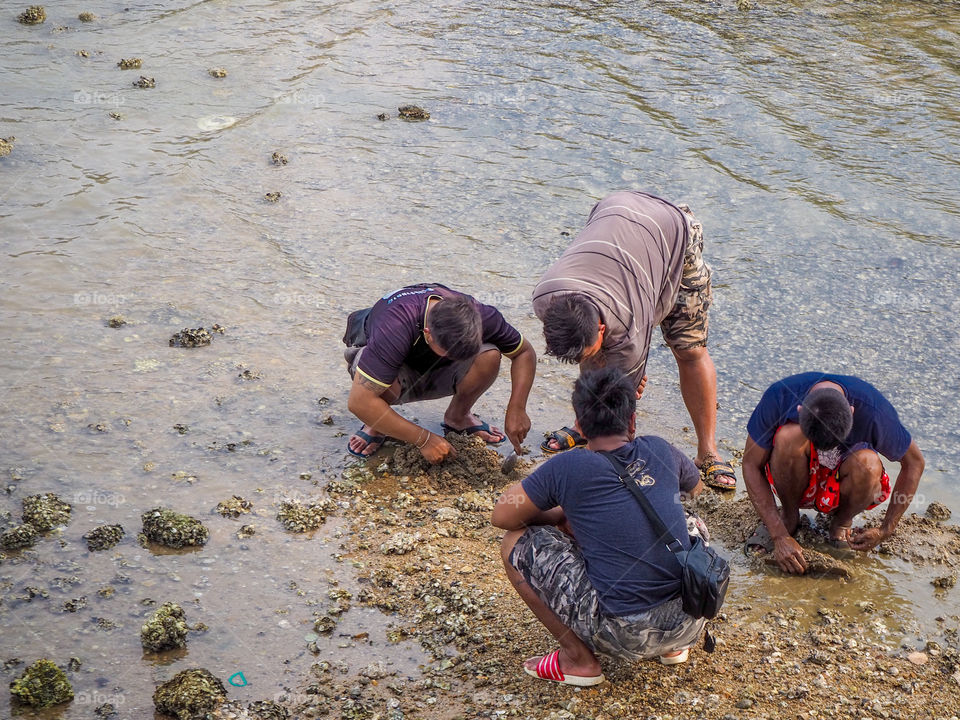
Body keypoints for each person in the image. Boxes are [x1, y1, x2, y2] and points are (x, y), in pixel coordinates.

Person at [492, 367, 706, 686]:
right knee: (690, 520)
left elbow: (503, 515)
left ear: (579, 425)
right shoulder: (660, 448)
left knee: (513, 543)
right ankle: (674, 648)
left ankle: (578, 661)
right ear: (632, 421)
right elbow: (696, 487)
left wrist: (562, 513)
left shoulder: (569, 466)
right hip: (694, 615)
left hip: (625, 634)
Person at [532, 190, 736, 490]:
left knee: (689, 349)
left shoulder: (627, 329)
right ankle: (583, 427)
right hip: (616, 214)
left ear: (602, 329)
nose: (582, 362)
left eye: (587, 353)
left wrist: (631, 379)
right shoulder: (544, 298)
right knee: (601, 365)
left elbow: (623, 411)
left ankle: (707, 452)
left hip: (674, 233)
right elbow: (594, 359)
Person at [741, 372, 925, 574]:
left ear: (852, 412)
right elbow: (750, 464)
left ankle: (841, 524)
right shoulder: (780, 396)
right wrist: (778, 535)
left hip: (844, 480)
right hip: (794, 474)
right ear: (799, 410)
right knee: (787, 437)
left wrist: (885, 529)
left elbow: (914, 463)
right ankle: (788, 516)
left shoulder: (876, 411)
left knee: (869, 464)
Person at [342, 283, 536, 463]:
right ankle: (376, 423)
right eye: (452, 354)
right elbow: (359, 401)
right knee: (378, 384)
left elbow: (524, 352)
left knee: (490, 355)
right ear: (428, 333)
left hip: (431, 364)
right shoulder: (395, 326)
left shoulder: (483, 316)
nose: (459, 362)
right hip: (391, 367)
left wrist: (517, 408)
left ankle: (458, 417)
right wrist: (424, 439)